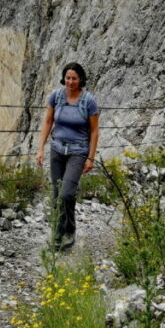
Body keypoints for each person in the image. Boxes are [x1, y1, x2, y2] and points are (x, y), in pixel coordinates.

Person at [34, 62, 100, 250]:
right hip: (57, 149)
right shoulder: (56, 96)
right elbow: (47, 122)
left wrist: (91, 158)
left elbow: (94, 131)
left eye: (74, 78)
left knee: (66, 193)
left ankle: (64, 232)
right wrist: (40, 149)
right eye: (68, 78)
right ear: (64, 78)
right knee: (57, 194)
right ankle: (61, 231)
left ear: (81, 80)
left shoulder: (88, 101)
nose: (70, 82)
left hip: (78, 151)